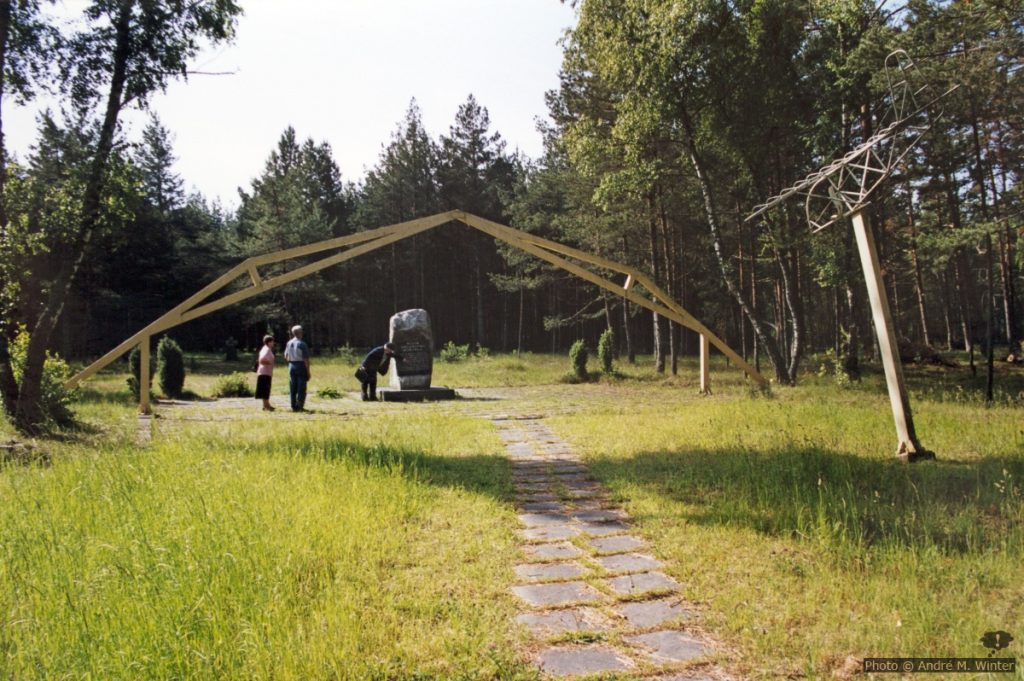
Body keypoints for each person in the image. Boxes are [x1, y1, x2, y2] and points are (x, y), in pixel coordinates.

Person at [284, 325, 311, 411]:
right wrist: (308, 372)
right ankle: (300, 406)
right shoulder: (302, 344)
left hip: (291, 365)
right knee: (301, 386)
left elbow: (286, 356)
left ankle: (293, 405)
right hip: (300, 366)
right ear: (300, 333)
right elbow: (306, 359)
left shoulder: (289, 343)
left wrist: (291, 361)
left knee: (293, 386)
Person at [255, 334, 276, 411]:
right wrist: (269, 363)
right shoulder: (266, 349)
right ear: (269, 342)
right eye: (272, 341)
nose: (273, 343)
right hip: (265, 372)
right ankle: (266, 406)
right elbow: (262, 360)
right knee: (265, 389)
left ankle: (266, 405)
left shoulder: (265, 348)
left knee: (265, 389)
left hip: (265, 372)